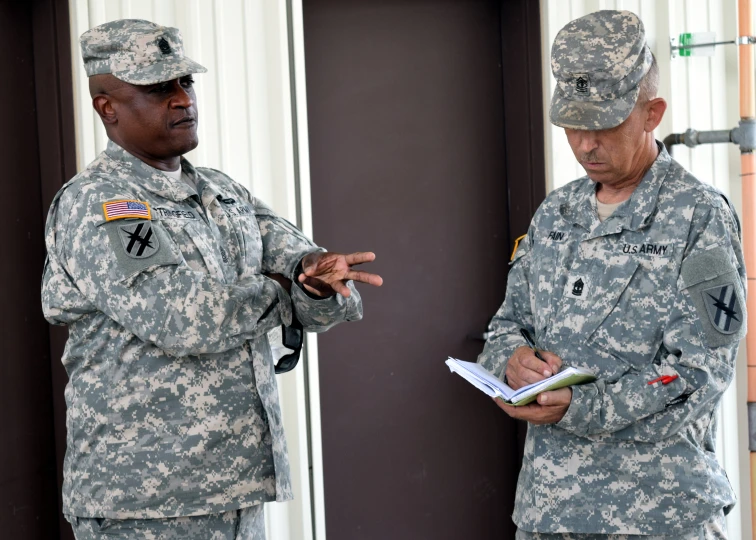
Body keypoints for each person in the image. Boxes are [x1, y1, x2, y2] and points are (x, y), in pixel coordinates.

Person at [42, 19, 382, 539]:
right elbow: (184, 317)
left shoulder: (222, 193)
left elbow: (315, 274)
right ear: (107, 108)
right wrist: (289, 291)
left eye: (186, 83)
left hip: (236, 485)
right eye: (159, 89)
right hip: (148, 502)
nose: (183, 100)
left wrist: (315, 282)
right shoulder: (103, 204)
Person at [478, 10, 743, 539]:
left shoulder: (698, 216)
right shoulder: (553, 214)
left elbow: (697, 375)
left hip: (660, 517)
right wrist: (510, 362)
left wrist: (581, 404)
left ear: (652, 113)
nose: (584, 144)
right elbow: (506, 325)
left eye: (602, 125)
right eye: (573, 126)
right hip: (548, 514)